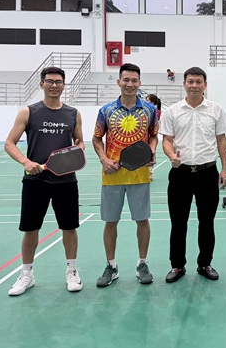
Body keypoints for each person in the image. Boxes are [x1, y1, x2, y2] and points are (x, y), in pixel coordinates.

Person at [4, 66, 85, 296]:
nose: (54, 85)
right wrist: (26, 162)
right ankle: (26, 274)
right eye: (49, 81)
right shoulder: (28, 112)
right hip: (35, 180)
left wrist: (78, 150)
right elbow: (9, 143)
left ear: (64, 85)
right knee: (30, 229)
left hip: (66, 181)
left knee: (69, 227)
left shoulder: (73, 114)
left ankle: (72, 271)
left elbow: (79, 141)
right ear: (41, 84)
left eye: (58, 82)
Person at [160, 67, 226, 283]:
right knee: (178, 223)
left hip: (207, 173)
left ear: (205, 85)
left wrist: (225, 169)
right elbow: (167, 140)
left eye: (198, 82)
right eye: (190, 81)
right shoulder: (172, 111)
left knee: (206, 222)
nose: (194, 85)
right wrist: (171, 155)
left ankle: (205, 263)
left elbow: (221, 140)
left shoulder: (216, 110)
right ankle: (177, 265)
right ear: (184, 84)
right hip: (179, 174)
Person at [93, 63, 159, 288]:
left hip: (139, 174)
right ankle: (111, 266)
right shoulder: (106, 110)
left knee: (142, 220)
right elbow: (96, 138)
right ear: (118, 82)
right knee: (110, 221)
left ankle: (142, 263)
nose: (130, 84)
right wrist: (104, 159)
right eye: (126, 80)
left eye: (134, 80)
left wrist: (151, 151)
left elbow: (153, 136)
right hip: (112, 174)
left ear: (139, 83)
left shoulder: (150, 110)